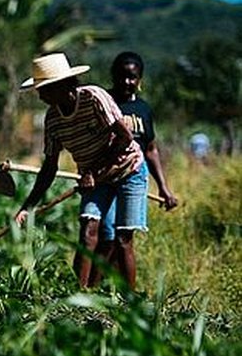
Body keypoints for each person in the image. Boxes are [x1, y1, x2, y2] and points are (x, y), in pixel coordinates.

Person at [14, 52, 146, 289]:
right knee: (88, 230)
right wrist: (28, 206)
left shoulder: (94, 97)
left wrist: (96, 171)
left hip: (129, 169)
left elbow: (125, 137)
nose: (40, 94)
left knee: (123, 238)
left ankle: (131, 303)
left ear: (62, 85)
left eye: (44, 88)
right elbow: (49, 167)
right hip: (95, 179)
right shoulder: (53, 119)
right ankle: (79, 297)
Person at [99, 51, 179, 264]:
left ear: (139, 79)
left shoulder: (143, 109)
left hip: (133, 176)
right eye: (122, 76)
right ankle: (89, 290)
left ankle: (122, 292)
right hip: (105, 177)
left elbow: (150, 149)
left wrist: (163, 187)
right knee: (105, 235)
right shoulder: (103, 103)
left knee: (124, 237)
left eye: (132, 77)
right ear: (113, 76)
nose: (127, 82)